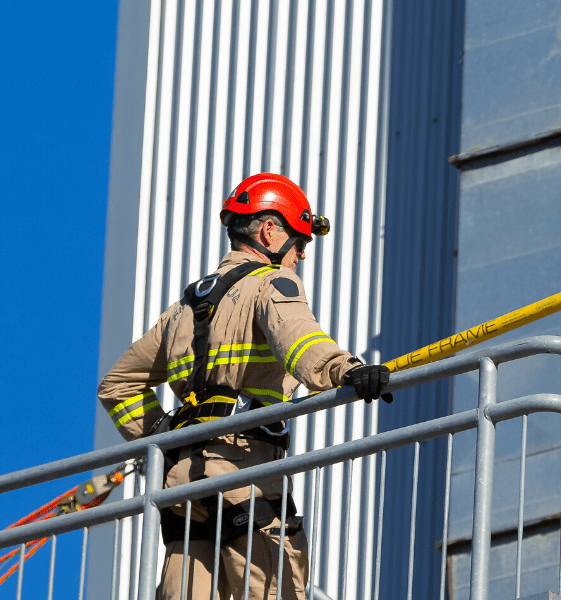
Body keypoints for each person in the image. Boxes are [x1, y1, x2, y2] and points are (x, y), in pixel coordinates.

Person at [98, 173, 394, 600]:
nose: (302, 255)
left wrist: (163, 437)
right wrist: (348, 371)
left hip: (182, 480)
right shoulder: (272, 283)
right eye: (301, 242)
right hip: (242, 467)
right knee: (276, 586)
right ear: (270, 230)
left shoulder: (184, 308)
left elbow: (117, 386)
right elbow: (299, 338)